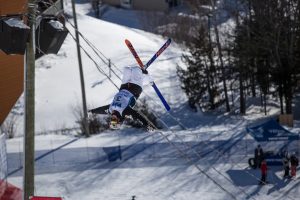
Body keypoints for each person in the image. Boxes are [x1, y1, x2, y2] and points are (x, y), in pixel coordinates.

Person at [90, 66, 153, 130]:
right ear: (119, 120)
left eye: (112, 119)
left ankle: (141, 73)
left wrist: (91, 112)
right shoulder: (124, 112)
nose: (113, 118)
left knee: (126, 69)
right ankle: (146, 76)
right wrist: (147, 125)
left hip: (123, 88)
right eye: (114, 120)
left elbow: (100, 110)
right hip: (135, 90)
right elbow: (137, 116)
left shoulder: (110, 110)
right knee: (136, 69)